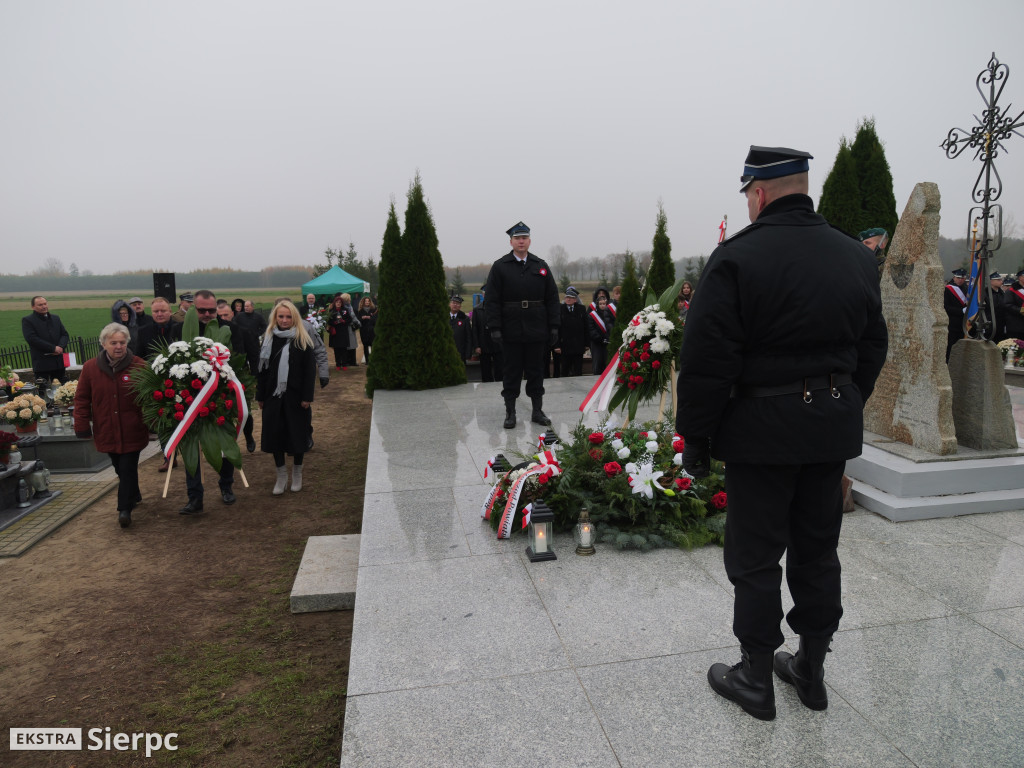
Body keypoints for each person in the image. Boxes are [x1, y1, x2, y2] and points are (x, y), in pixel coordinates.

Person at [675, 145, 887, 721]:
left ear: (760, 192)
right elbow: (872, 347)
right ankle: (811, 669)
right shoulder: (853, 255)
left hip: (761, 433)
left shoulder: (738, 257)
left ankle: (755, 675)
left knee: (756, 555)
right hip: (828, 431)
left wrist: (695, 439)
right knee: (818, 551)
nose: (747, 203)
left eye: (747, 193)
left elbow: (707, 360)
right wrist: (842, 400)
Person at [178, 290, 258, 514]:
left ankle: (226, 486)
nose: (206, 314)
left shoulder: (231, 329)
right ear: (193, 307)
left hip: (220, 395)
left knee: (224, 444)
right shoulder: (180, 330)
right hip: (191, 397)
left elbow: (239, 360)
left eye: (210, 310)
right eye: (201, 310)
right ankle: (195, 498)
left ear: (217, 309)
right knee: (190, 447)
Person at [483, 221, 560, 428]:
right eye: (517, 238)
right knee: (512, 371)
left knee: (536, 371)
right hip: (511, 329)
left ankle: (537, 411)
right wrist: (495, 327)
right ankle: (510, 412)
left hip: (536, 328)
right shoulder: (500, 267)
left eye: (524, 238)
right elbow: (491, 300)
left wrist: (554, 326)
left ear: (529, 241)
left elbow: (552, 297)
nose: (521, 241)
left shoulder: (540, 265)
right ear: (511, 241)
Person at [73, 322, 150, 528]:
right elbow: (81, 399)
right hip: (106, 429)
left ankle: (124, 509)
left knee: (127, 467)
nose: (118, 346)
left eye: (122, 342)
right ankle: (133, 493)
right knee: (119, 467)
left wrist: (152, 422)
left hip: (132, 429)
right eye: (113, 342)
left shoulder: (139, 366)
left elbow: (150, 397)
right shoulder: (90, 368)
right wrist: (81, 425)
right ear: (104, 344)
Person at [257, 300, 316, 494]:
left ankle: (297, 472)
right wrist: (260, 395)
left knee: (297, 434)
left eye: (288, 316)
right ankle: (281, 475)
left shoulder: (303, 340)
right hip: (273, 397)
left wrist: (307, 397)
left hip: (296, 397)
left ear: (295, 318)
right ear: (275, 317)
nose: (284, 320)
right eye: (281, 316)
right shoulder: (268, 339)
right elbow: (263, 371)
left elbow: (309, 371)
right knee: (276, 435)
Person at [22, 296, 71, 383]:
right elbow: (32, 339)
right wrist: (53, 348)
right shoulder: (28, 320)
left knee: (63, 391)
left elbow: (64, 334)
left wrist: (60, 347)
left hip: (59, 362)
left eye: (45, 304)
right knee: (43, 391)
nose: (44, 306)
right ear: (33, 307)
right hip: (42, 364)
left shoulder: (56, 318)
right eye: (40, 305)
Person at [472, 285, 503, 383]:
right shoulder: (477, 309)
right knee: (485, 371)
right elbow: (475, 329)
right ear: (483, 295)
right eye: (485, 294)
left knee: (500, 370)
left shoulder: (499, 308)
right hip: (483, 344)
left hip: (498, 344)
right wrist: (476, 346)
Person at [558, 287, 588, 376]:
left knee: (578, 370)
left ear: (575, 299)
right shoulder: (560, 309)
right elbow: (557, 328)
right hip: (565, 346)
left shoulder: (581, 309)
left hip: (578, 345)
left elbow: (586, 327)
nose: (568, 299)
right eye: (567, 297)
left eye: (571, 297)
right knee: (564, 370)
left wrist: (587, 344)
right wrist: (557, 345)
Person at [326, 294, 360, 370]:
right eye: (337, 302)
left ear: (342, 303)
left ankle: (344, 364)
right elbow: (328, 321)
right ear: (334, 303)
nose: (338, 303)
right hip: (335, 333)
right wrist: (334, 322)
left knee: (344, 349)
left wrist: (344, 321)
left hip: (343, 332)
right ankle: (338, 364)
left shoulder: (345, 310)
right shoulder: (331, 311)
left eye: (340, 302)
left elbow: (350, 319)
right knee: (337, 349)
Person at [586, 293, 614, 375]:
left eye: (604, 304)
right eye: (600, 304)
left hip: (608, 342)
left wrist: (608, 338)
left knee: (607, 363)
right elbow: (591, 329)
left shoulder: (610, 314)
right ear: (597, 304)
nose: (602, 306)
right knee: (597, 364)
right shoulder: (592, 315)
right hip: (597, 343)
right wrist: (600, 338)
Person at [944, 267, 968, 362]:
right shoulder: (948, 289)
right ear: (954, 278)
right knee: (951, 346)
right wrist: (960, 311)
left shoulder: (967, 289)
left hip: (964, 323)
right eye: (958, 278)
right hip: (952, 323)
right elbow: (946, 307)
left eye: (962, 278)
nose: (960, 280)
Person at [448, 295, 473, 363]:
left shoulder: (464, 319)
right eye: (453, 302)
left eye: (458, 303)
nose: (455, 305)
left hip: (460, 353)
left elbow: (468, 337)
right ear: (449, 304)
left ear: (460, 306)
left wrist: (468, 353)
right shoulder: (443, 317)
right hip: (446, 352)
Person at [356, 296, 377, 364]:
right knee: (365, 345)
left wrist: (370, 318)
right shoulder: (360, 310)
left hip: (372, 329)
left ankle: (373, 359)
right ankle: (367, 361)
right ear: (363, 302)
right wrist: (363, 318)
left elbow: (376, 319)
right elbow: (358, 320)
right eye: (366, 301)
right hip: (363, 330)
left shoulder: (374, 309)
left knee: (373, 344)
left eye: (368, 301)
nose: (367, 302)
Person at [1005, 269, 1024, 341]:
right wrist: (1021, 310)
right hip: (1016, 326)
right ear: (1020, 278)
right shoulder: (1011, 291)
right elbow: (1008, 305)